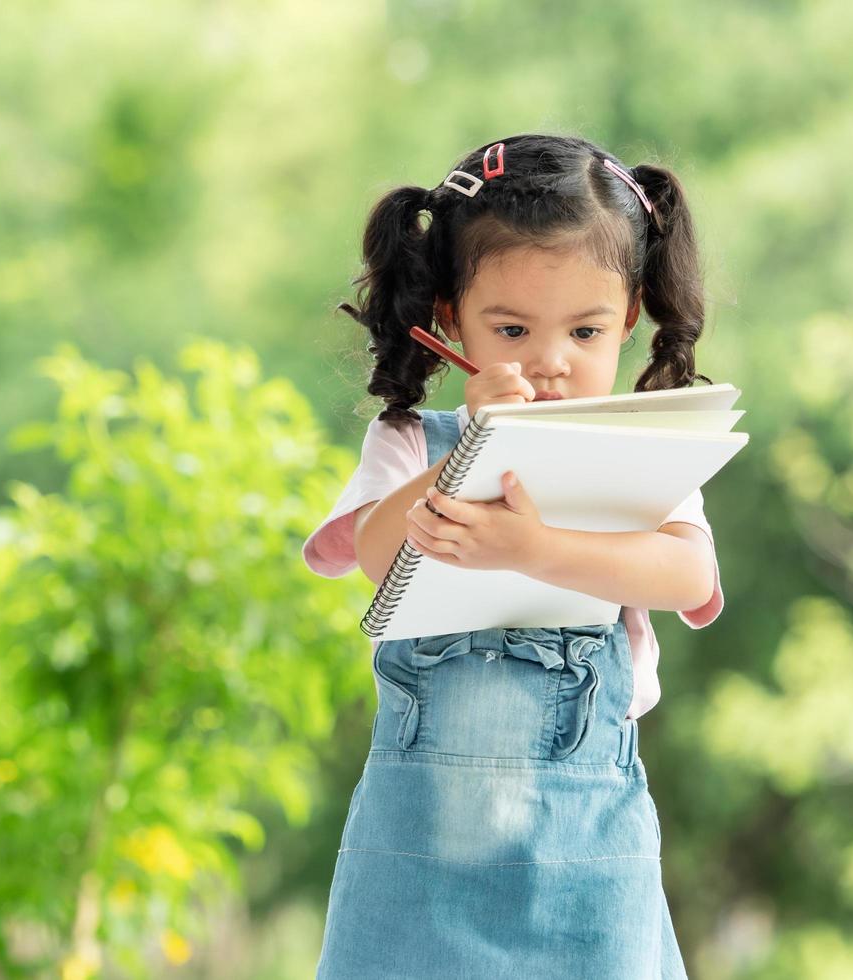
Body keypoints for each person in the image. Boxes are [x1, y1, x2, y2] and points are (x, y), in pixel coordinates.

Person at [301, 132, 725, 979]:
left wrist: (534, 548)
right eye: (511, 327)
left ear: (629, 317)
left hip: (584, 853)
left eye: (584, 330)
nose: (550, 360)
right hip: (417, 853)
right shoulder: (410, 441)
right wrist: (472, 456)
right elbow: (378, 556)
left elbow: (687, 574)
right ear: (452, 320)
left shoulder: (639, 452)